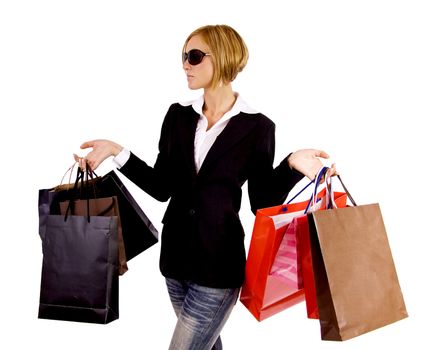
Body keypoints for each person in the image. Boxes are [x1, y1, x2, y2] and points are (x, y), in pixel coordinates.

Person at [75, 24, 335, 350]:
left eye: (194, 56)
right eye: (184, 56)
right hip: (175, 263)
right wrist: (117, 151)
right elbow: (161, 186)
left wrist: (291, 165)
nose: (185, 64)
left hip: (219, 267)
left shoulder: (257, 127)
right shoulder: (178, 116)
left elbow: (261, 201)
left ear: (223, 59)